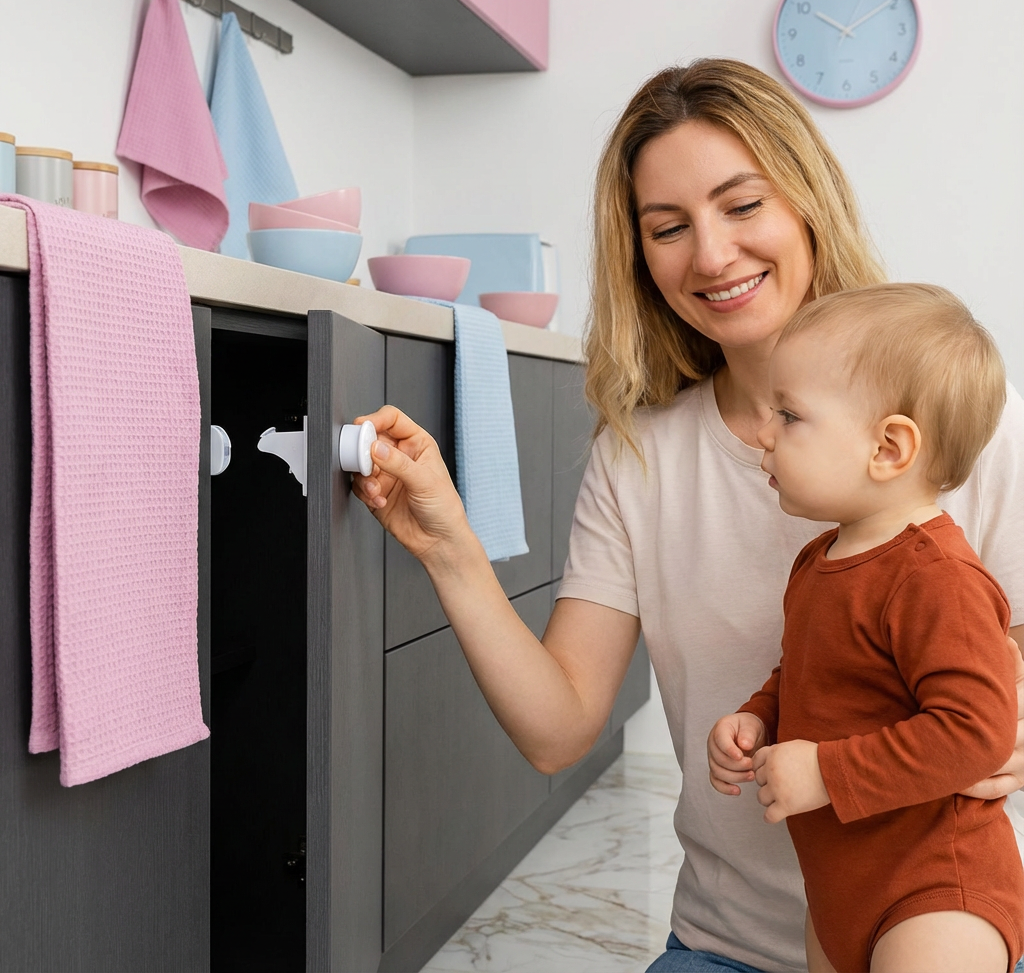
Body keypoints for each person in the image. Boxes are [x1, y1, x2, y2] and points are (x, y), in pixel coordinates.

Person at [350, 59, 1024, 972]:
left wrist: (999, 732)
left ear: (807, 204)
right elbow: (558, 730)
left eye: (743, 207)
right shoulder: (640, 457)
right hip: (728, 942)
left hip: (933, 923)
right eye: (668, 228)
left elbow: (990, 688)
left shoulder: (956, 433)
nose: (710, 255)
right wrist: (448, 545)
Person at [708, 283, 1024, 973]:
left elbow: (976, 731)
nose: (764, 433)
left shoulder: (937, 577)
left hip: (938, 888)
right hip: (840, 890)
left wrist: (825, 770)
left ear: (888, 448)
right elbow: (810, 673)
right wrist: (760, 715)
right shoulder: (819, 561)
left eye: (789, 415)